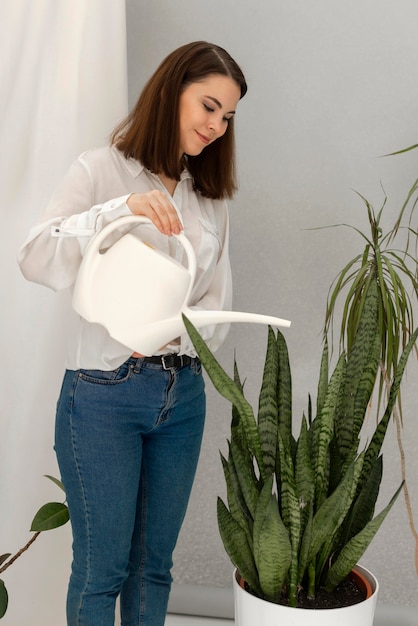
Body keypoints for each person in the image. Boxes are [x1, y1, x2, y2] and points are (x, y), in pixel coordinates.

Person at [18, 41, 247, 626]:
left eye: (228, 117)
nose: (217, 126)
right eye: (209, 106)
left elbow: (215, 301)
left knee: (154, 569)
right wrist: (120, 210)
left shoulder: (209, 198)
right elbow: (35, 255)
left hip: (182, 395)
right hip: (102, 393)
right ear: (173, 90)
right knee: (102, 572)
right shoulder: (100, 169)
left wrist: (182, 340)